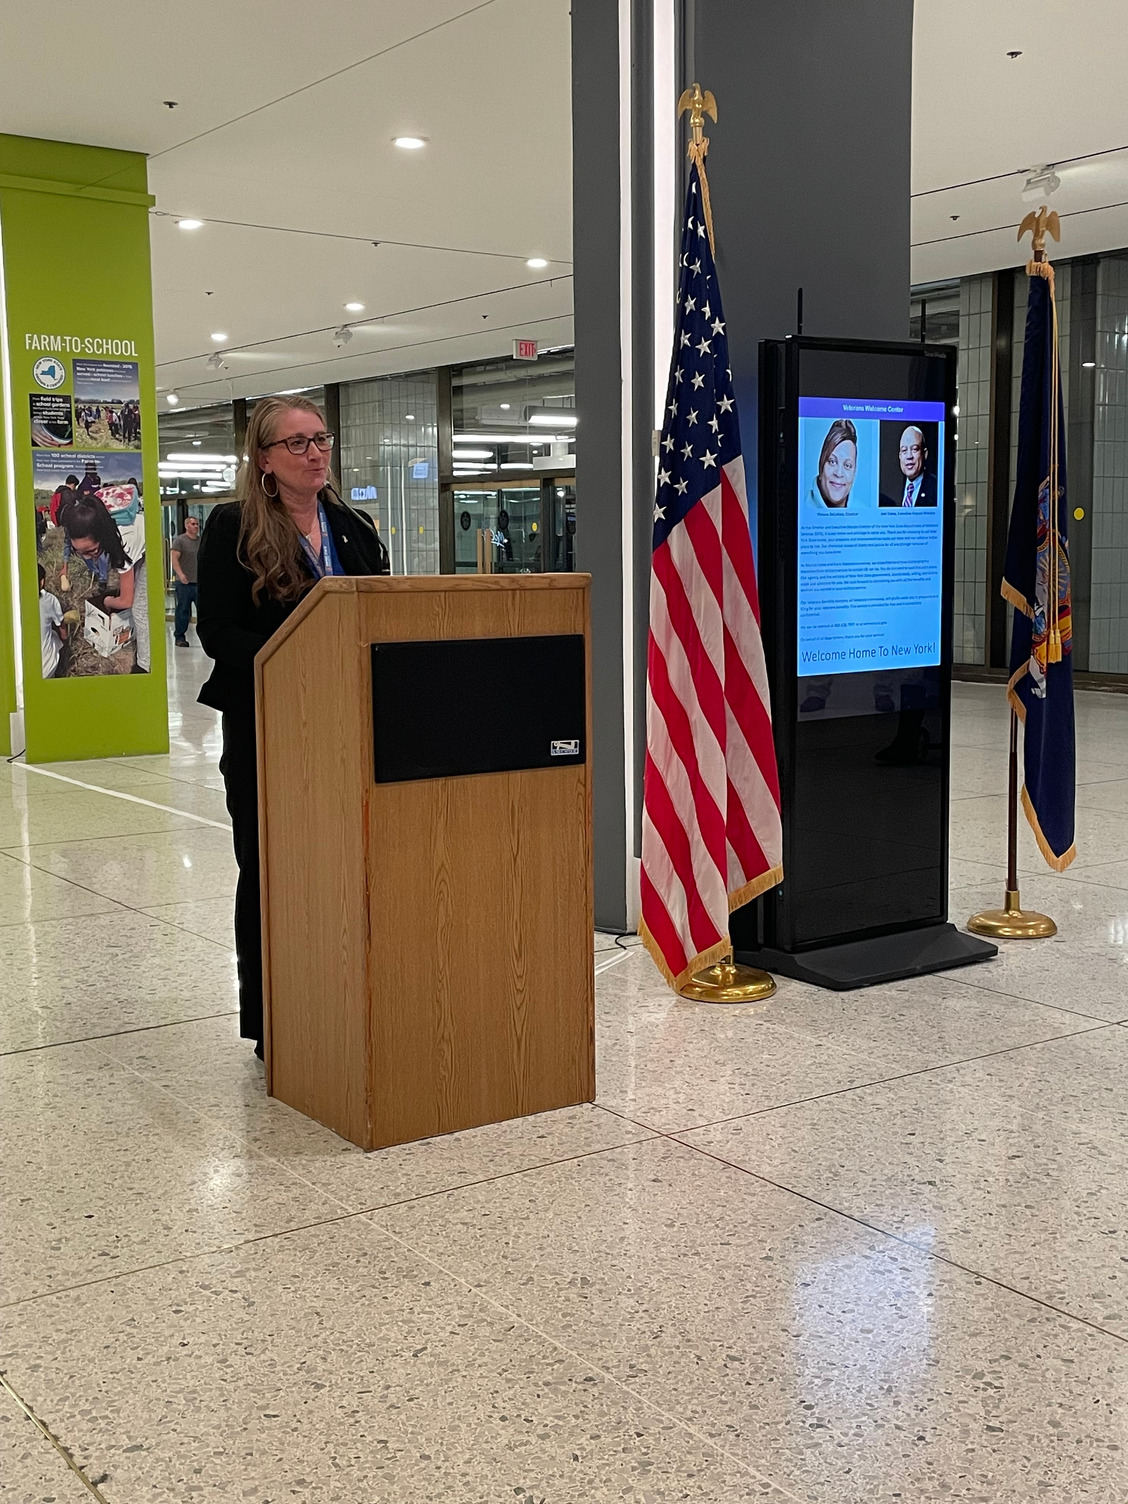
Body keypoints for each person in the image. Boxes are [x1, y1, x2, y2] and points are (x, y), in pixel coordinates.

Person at [196, 395, 390, 1059]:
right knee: (272, 871)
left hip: (350, 728)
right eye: (298, 443)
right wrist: (297, 659)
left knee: (346, 868)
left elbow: (381, 612)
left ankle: (341, 1002)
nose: (315, 453)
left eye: (321, 439)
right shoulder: (232, 526)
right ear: (264, 460)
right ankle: (271, 1020)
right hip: (269, 728)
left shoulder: (353, 526)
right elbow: (218, 628)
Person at [880, 425, 937, 507]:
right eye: (904, 450)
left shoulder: (936, 488)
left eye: (914, 449)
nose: (909, 456)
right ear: (900, 456)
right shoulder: (890, 492)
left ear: (925, 454)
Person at [808, 419, 858, 508]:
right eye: (832, 462)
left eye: (847, 465)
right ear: (821, 466)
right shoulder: (801, 506)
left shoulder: (863, 510)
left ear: (854, 473)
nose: (838, 474)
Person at [170, 514, 201, 646]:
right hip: (184, 583)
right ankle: (179, 637)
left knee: (203, 610)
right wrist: (181, 574)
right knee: (183, 610)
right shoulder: (180, 541)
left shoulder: (201, 541)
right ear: (187, 526)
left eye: (197, 524)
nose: (196, 527)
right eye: (193, 524)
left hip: (199, 583)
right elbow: (174, 558)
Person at [39, 563, 67, 678]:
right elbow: (62, 629)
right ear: (41, 582)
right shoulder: (48, 600)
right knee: (55, 635)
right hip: (44, 671)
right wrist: (65, 643)